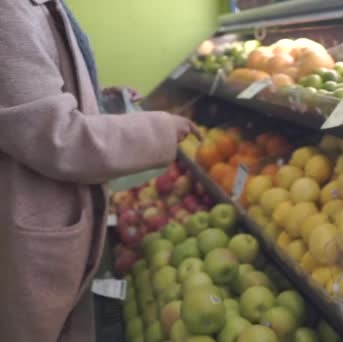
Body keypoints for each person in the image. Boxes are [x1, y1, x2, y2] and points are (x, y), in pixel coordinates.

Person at [0, 1, 200, 341]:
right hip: (35, 233)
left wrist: (100, 99)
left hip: (62, 228)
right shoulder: (8, 13)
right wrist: (160, 130)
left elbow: (42, 94)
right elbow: (57, 137)